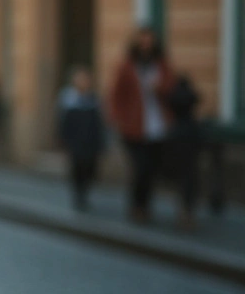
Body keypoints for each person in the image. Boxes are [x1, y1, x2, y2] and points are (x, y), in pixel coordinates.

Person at [108, 27, 174, 224]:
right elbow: (115, 96)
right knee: (140, 168)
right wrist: (119, 119)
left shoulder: (161, 66)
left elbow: (172, 88)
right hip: (133, 128)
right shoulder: (127, 67)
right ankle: (136, 205)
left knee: (151, 170)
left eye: (149, 41)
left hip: (157, 127)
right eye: (142, 41)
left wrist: (158, 87)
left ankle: (145, 206)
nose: (146, 45)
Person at [56, 66, 106, 211]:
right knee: (77, 168)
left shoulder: (94, 99)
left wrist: (100, 143)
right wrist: (64, 140)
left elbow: (99, 123)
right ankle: (79, 195)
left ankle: (84, 192)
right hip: (76, 142)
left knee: (90, 168)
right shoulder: (68, 99)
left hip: (90, 142)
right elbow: (63, 122)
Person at [165, 73, 202, 229]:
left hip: (178, 138)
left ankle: (184, 212)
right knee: (189, 178)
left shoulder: (173, 97)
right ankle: (187, 213)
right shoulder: (190, 97)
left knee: (182, 179)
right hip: (190, 138)